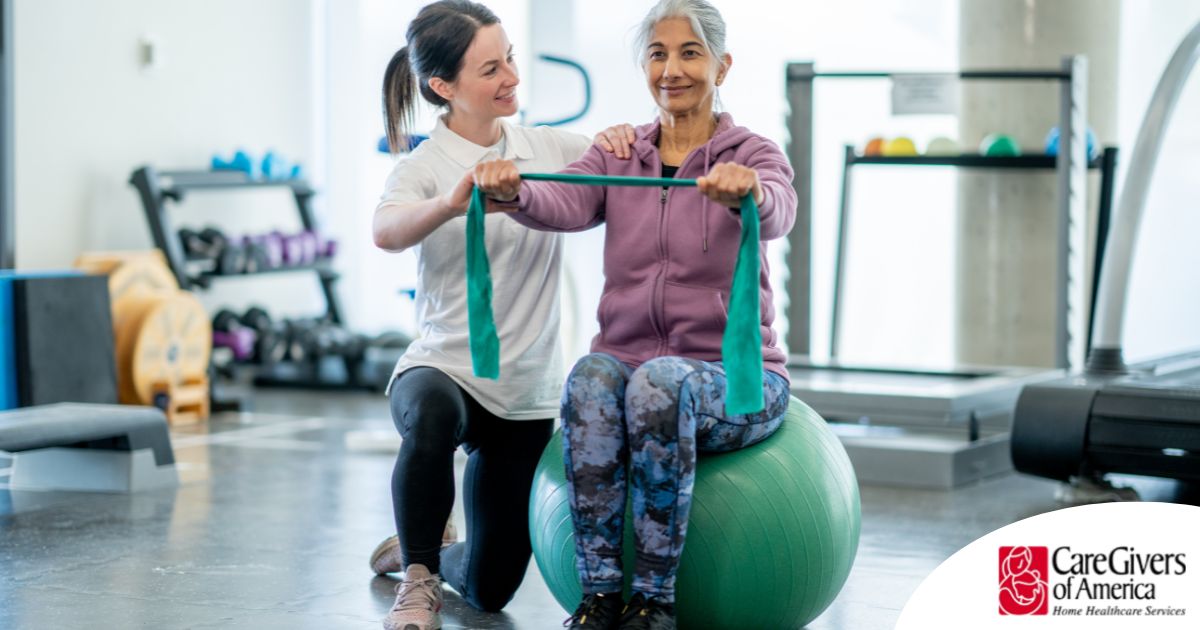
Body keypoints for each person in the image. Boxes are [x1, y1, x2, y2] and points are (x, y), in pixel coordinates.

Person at [472, 1, 796, 628]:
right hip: (633, 371)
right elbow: (561, 196)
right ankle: (598, 598)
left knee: (657, 385)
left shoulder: (752, 153)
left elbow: (781, 208)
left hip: (736, 383)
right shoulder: (619, 154)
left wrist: (748, 191)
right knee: (593, 376)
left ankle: (654, 604)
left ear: (722, 65)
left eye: (690, 52)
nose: (671, 68)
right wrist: (514, 191)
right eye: (657, 53)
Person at [371, 2, 633, 629]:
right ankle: (418, 577)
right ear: (444, 87)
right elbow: (385, 230)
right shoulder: (423, 167)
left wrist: (626, 140)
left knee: (490, 591)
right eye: (491, 68)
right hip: (445, 368)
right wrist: (449, 203)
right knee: (430, 416)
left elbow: (622, 163)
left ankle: (421, 551)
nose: (512, 76)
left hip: (524, 391)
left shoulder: (547, 147)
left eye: (510, 57)